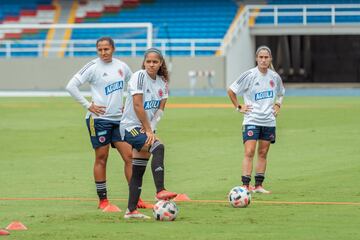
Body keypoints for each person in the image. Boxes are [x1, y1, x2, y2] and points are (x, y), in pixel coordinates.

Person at [66, 37, 151, 209]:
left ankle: (136, 200)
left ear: (113, 48)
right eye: (100, 50)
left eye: (106, 49)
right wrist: (88, 105)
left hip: (119, 121)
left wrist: (127, 107)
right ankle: (103, 201)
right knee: (102, 158)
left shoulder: (122, 67)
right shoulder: (92, 67)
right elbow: (71, 86)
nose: (103, 52)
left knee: (129, 157)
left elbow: (133, 89)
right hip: (98, 121)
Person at [120, 48, 177, 219]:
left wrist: (151, 128)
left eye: (155, 62)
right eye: (148, 61)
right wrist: (149, 130)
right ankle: (160, 191)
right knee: (158, 147)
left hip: (146, 128)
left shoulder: (163, 82)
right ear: (144, 62)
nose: (151, 64)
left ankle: (131, 211)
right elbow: (138, 105)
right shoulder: (139, 77)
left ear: (161, 64)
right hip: (130, 126)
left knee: (138, 170)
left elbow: (160, 109)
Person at [227, 45, 285, 194]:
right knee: (249, 151)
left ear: (270, 59)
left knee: (263, 153)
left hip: (269, 121)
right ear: (256, 59)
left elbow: (281, 93)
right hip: (251, 120)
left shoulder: (274, 77)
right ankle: (245, 186)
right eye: (261, 57)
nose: (264, 60)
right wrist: (239, 107)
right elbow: (231, 90)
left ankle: (258, 186)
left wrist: (278, 105)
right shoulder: (249, 75)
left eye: (266, 57)